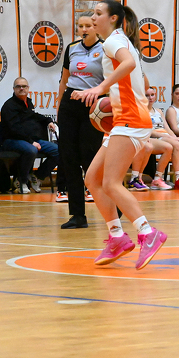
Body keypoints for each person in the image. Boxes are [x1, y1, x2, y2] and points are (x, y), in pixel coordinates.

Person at [72, 0, 166, 270]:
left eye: (98, 13)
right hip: (124, 119)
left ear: (113, 18)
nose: (93, 17)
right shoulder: (117, 41)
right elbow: (130, 80)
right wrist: (101, 93)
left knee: (111, 183)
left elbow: (128, 64)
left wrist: (98, 88)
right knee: (93, 179)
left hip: (131, 119)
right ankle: (117, 237)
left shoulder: (114, 41)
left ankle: (148, 232)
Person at [56, 15, 105, 228]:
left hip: (93, 104)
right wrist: (59, 106)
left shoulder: (106, 49)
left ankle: (114, 205)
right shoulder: (71, 48)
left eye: (88, 26)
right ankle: (77, 215)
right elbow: (64, 80)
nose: (84, 29)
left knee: (90, 158)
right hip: (70, 102)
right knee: (69, 159)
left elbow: (110, 81)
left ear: (96, 28)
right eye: (80, 26)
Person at [131, 86, 179, 191]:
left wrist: (173, 136)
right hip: (152, 136)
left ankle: (159, 179)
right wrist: (163, 136)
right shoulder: (141, 110)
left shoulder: (158, 111)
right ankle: (176, 177)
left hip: (164, 136)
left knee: (173, 145)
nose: (150, 98)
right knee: (170, 146)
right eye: (147, 95)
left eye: (152, 95)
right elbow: (146, 129)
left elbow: (167, 128)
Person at [0, 77, 59, 194]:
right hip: (12, 140)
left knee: (57, 150)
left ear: (28, 88)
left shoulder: (28, 103)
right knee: (31, 150)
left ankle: (37, 176)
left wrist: (48, 121)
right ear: (14, 89)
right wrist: (31, 142)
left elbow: (34, 116)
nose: (21, 88)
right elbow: (14, 129)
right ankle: (21, 181)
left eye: (24, 86)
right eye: (18, 86)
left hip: (30, 139)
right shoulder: (9, 106)